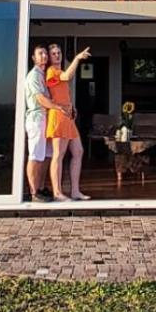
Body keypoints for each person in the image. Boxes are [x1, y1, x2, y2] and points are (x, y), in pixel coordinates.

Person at [45, 43, 91, 201]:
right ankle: (57, 192)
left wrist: (72, 107)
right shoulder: (51, 71)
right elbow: (66, 77)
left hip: (68, 116)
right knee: (58, 154)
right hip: (58, 116)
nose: (57, 55)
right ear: (49, 57)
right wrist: (77, 58)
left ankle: (75, 191)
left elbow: (64, 90)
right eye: (53, 53)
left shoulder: (59, 71)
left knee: (78, 151)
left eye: (58, 52)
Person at [24, 43, 67, 202]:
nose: (44, 56)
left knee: (47, 155)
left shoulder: (44, 74)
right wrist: (58, 107)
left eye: (45, 53)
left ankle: (41, 187)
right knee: (35, 155)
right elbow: (41, 99)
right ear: (33, 58)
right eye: (40, 54)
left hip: (47, 119)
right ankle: (33, 192)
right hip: (37, 118)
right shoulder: (34, 76)